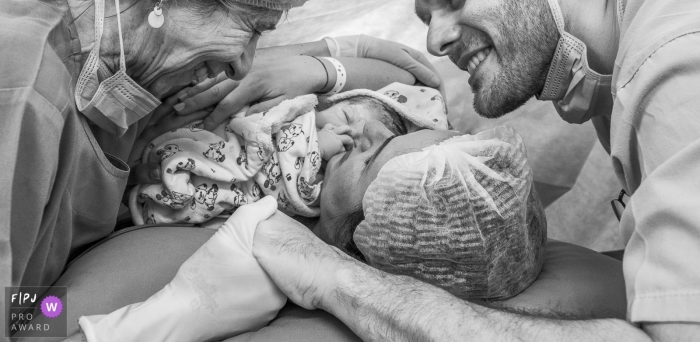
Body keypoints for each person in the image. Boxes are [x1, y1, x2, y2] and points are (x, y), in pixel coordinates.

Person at [234, 0, 700, 340]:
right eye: (427, 17)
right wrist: (322, 59)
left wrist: (336, 279)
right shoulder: (629, 29)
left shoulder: (677, 64)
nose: (435, 40)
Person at [0, 0, 441, 301]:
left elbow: (412, 80)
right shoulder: (26, 95)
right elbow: (14, 321)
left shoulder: (122, 72)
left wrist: (325, 60)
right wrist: (68, 327)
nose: (244, 62)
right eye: (252, 29)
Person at [68, 123, 546, 342]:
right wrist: (329, 61)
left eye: (369, 158)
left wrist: (172, 314)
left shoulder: (210, 249)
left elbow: (26, 321)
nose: (368, 130)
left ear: (359, 238)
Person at [128, 81, 446, 226]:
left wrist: (319, 153)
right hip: (221, 147)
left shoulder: (331, 183)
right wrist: (314, 142)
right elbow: (265, 132)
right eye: (347, 118)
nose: (349, 135)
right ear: (327, 104)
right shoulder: (300, 116)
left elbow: (295, 191)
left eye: (362, 142)